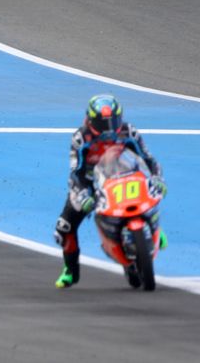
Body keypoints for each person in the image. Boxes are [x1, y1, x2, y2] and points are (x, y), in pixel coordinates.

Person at [53, 94, 163, 288]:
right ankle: (70, 270)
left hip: (124, 179)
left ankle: (154, 231)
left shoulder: (129, 132)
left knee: (150, 200)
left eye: (113, 122)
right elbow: (75, 172)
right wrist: (82, 195)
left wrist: (156, 178)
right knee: (64, 228)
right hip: (91, 185)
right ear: (91, 120)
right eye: (103, 124)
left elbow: (149, 160)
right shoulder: (81, 138)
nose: (109, 129)